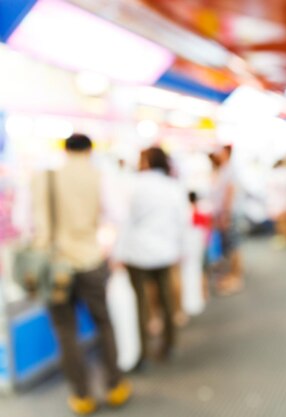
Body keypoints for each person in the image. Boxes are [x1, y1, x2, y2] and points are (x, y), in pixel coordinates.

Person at [31, 134, 131, 415]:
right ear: (89, 150)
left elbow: (24, 220)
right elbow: (118, 216)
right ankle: (114, 386)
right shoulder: (99, 176)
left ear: (65, 151)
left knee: (65, 331)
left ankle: (81, 395)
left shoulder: (42, 178)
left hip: (52, 267)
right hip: (89, 259)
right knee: (103, 323)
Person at [114, 146, 188, 365]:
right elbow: (181, 221)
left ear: (146, 161)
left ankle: (143, 352)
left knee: (141, 303)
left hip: (137, 253)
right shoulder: (172, 187)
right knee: (166, 299)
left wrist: (118, 252)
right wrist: (180, 248)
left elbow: (125, 221)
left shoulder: (133, 185)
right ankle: (170, 343)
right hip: (165, 251)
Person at [210, 145, 244, 295]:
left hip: (229, 214)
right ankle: (232, 275)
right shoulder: (224, 169)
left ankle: (236, 277)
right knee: (229, 246)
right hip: (225, 213)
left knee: (233, 245)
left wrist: (226, 214)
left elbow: (230, 192)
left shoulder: (230, 170)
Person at [267, 159, 286, 248]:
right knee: (281, 220)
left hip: (282, 200)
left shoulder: (283, 173)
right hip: (281, 200)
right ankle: (283, 237)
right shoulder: (285, 173)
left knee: (283, 220)